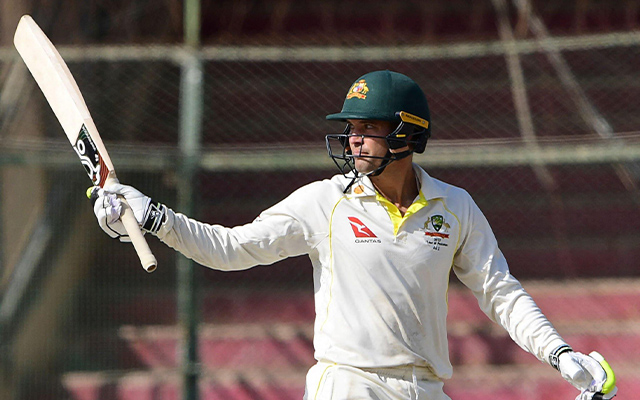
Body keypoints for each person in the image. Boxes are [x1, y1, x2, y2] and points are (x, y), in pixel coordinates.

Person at [91, 70, 617, 400]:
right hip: (348, 384)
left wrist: (560, 353)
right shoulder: (325, 200)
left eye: (366, 128)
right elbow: (233, 249)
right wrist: (153, 215)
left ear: (406, 134)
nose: (352, 138)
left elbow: (500, 293)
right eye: (350, 128)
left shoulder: (454, 207)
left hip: (426, 388)